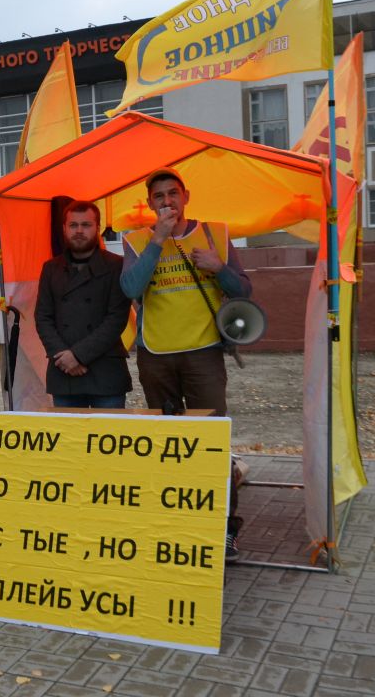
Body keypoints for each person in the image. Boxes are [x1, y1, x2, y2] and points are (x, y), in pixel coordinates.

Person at [120, 170, 252, 561]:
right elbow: (130, 289)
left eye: (172, 194)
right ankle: (176, 522)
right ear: (149, 204)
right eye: (158, 196)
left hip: (204, 354)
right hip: (155, 355)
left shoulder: (214, 234)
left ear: (186, 196)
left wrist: (218, 267)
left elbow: (244, 290)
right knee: (166, 445)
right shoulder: (139, 240)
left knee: (212, 444)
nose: (167, 202)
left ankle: (225, 528)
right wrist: (158, 241)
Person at [35, 200, 133, 408]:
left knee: (109, 439)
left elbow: (116, 319)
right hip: (63, 373)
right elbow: (43, 317)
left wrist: (78, 356)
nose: (79, 231)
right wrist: (64, 358)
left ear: (97, 228)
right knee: (67, 440)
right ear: (64, 228)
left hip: (106, 374)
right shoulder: (50, 268)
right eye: (73, 225)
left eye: (86, 225)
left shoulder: (116, 265)